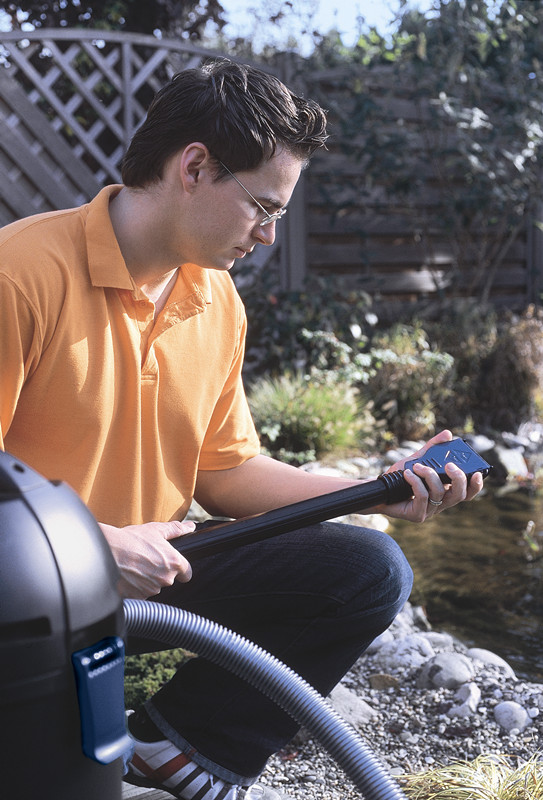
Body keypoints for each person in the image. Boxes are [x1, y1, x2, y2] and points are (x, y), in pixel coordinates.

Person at [0, 59, 483, 800]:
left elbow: (225, 473)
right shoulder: (20, 274)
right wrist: (92, 545)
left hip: (149, 581)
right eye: (262, 206)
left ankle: (179, 751)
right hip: (25, 598)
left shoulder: (216, 300)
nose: (267, 235)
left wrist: (375, 490)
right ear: (194, 167)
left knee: (366, 571)